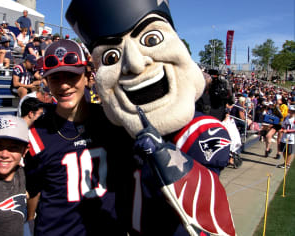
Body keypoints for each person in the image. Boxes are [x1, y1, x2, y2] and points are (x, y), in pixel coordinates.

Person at [66, 0, 235, 235]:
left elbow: (209, 207)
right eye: (111, 57)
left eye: (151, 40)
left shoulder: (200, 130)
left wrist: (164, 155)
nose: (134, 64)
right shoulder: (120, 132)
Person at [24, 39, 131, 236]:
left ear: (87, 76)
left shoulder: (112, 121)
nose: (64, 85)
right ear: (46, 82)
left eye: (71, 75)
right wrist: (30, 221)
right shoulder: (37, 133)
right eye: (55, 78)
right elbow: (32, 187)